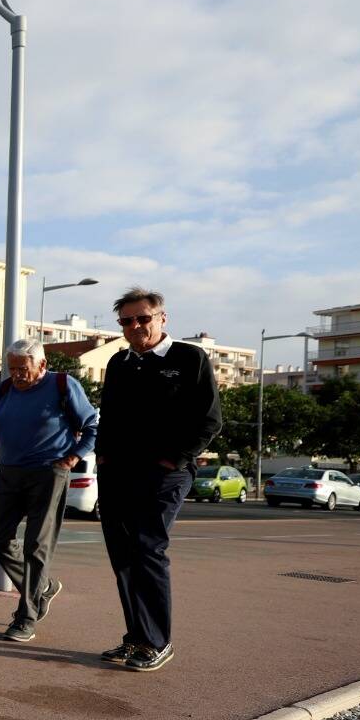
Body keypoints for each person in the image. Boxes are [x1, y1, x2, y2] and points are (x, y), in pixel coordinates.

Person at [94, 287, 222, 672]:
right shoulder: (119, 363)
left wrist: (173, 460)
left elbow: (210, 420)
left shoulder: (189, 358)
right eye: (126, 321)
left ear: (162, 319)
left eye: (142, 318)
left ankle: (157, 641)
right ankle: (136, 638)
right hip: (117, 473)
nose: (135, 326)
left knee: (148, 548)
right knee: (123, 555)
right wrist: (102, 458)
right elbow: (109, 416)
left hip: (165, 473)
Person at [0, 338, 99, 642]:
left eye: (23, 368)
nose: (16, 374)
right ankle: (42, 587)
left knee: (36, 546)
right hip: (10, 473)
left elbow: (93, 426)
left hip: (49, 472)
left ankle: (26, 616)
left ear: (42, 365)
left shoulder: (62, 385)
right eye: (12, 368)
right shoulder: (4, 389)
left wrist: (74, 456)